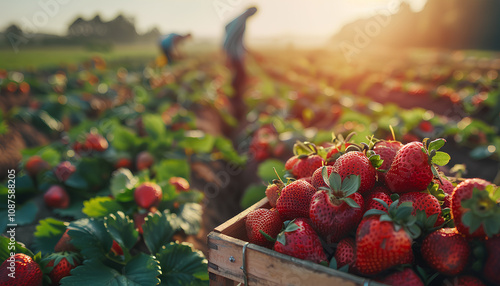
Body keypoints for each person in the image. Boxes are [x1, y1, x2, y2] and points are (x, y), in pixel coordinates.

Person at [223, 7, 257, 122]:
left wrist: (246, 51)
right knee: (241, 75)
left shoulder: (240, 20)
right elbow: (229, 39)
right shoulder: (240, 21)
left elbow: (238, 40)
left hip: (236, 53)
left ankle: (236, 98)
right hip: (234, 54)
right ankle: (235, 98)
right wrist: (227, 54)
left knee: (241, 75)